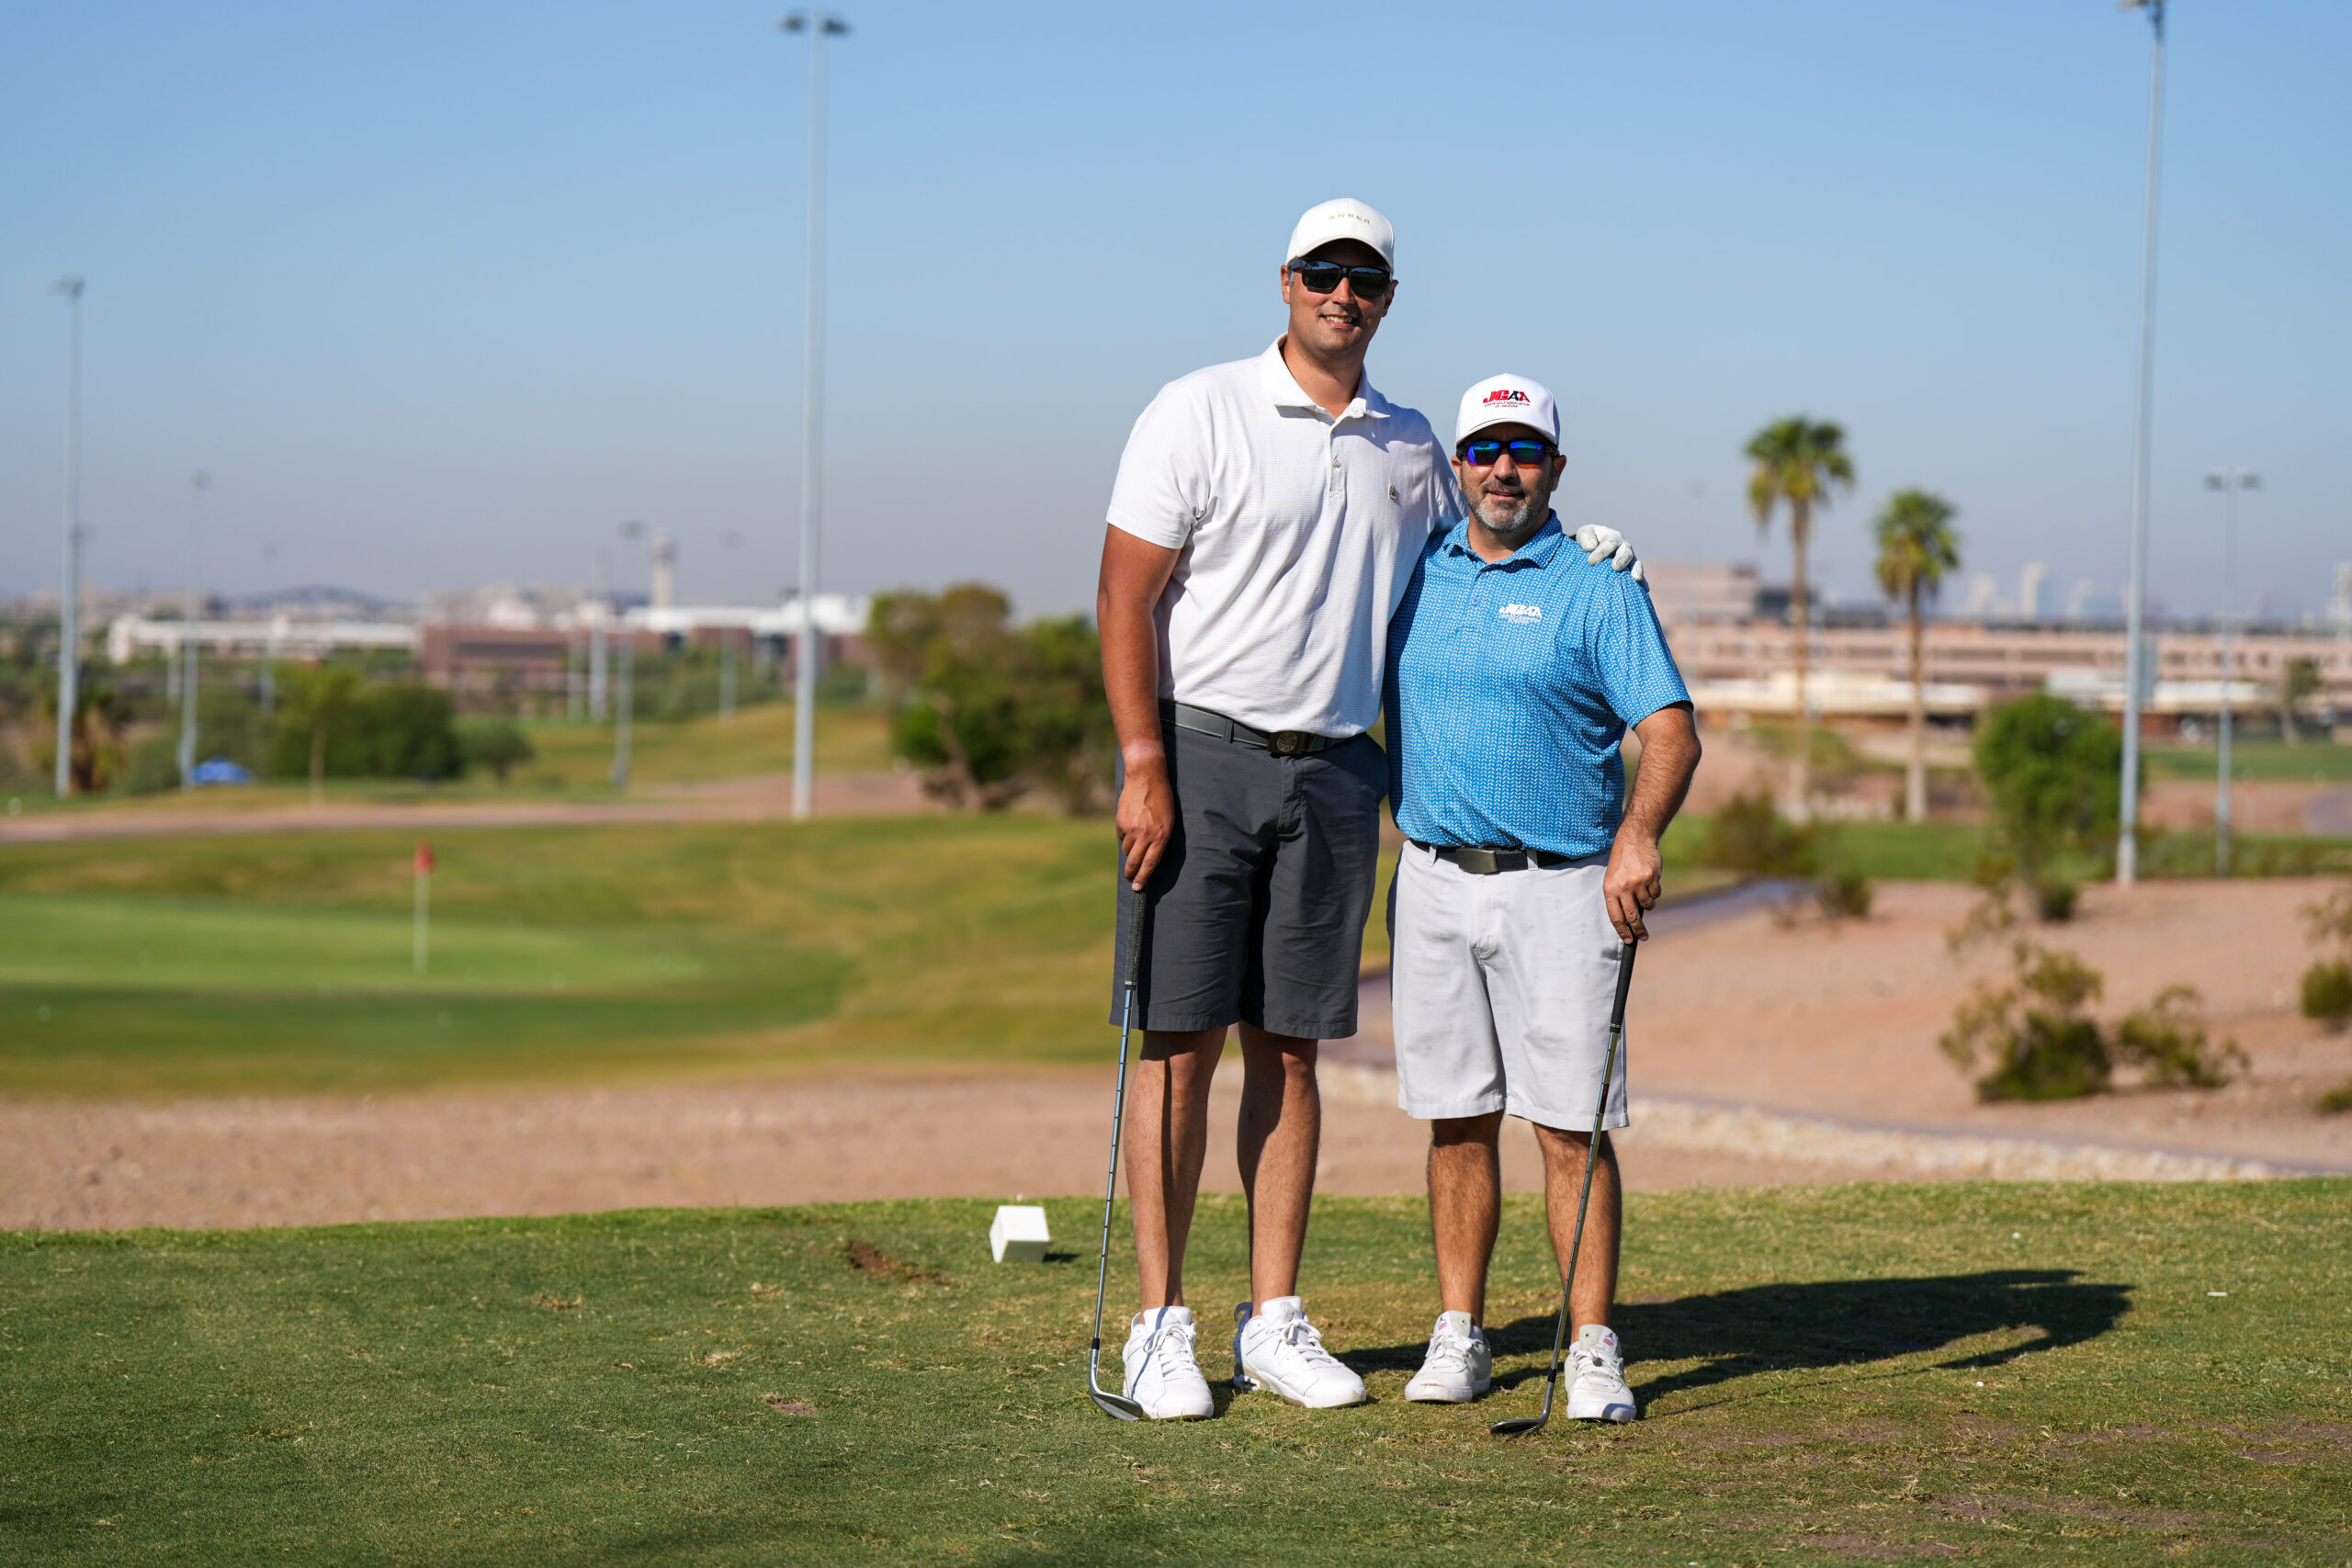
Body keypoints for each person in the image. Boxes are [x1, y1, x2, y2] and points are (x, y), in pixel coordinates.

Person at [1096, 203, 1648, 1419]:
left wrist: (1587, 547)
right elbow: (1124, 593)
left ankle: (1272, 1318)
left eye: (1365, 279)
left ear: (1388, 298)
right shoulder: (1197, 408)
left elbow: (1485, 550)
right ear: (1287, 280)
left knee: (1290, 1047)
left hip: (1339, 774)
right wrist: (1141, 759)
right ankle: (1160, 1321)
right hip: (1201, 753)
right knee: (1180, 1043)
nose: (1342, 293)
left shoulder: (1410, 446)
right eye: (1323, 273)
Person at [1380, 374, 1700, 1422]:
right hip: (1433, 881)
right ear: (1458, 465)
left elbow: (1669, 731)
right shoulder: (1416, 571)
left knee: (1570, 1128)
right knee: (1455, 1120)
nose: (1504, 469)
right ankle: (1460, 1332)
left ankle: (1593, 1345)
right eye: (1485, 450)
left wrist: (1637, 836)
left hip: (1561, 891)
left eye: (1524, 451)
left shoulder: (1598, 585)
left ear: (1555, 467)